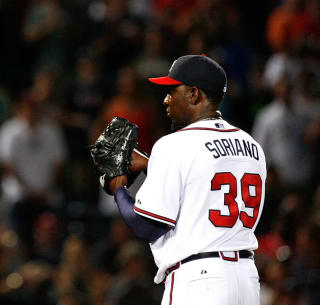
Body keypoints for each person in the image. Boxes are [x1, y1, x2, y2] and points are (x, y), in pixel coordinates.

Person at [105, 55, 267, 305]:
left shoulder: (174, 144)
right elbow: (203, 185)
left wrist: (119, 189)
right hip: (246, 280)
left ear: (193, 94)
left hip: (198, 281)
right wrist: (152, 165)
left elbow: (147, 225)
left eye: (172, 90)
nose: (166, 100)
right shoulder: (252, 145)